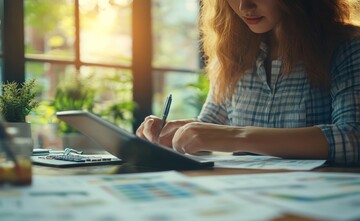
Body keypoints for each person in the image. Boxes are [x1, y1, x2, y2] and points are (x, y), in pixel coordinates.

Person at [136, 0, 360, 166]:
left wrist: (236, 136)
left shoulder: (346, 46)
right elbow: (210, 126)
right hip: (245, 198)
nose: (244, 6)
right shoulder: (232, 54)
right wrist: (177, 132)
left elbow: (352, 138)